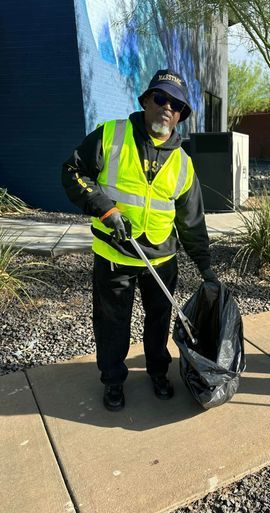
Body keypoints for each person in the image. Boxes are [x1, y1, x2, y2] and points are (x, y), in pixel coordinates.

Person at [62, 68, 218, 411]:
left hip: (161, 260)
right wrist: (104, 208)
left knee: (159, 320)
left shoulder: (183, 163)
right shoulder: (111, 136)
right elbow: (73, 171)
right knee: (112, 323)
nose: (167, 107)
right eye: (160, 98)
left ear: (181, 116)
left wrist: (206, 269)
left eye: (175, 105)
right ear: (146, 101)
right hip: (115, 254)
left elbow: (191, 222)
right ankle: (114, 380)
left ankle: (158, 372)